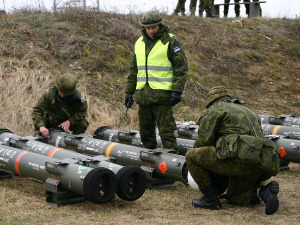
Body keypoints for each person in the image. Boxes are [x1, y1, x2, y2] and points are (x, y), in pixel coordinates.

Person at [185, 86, 280, 215]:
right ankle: (263, 191)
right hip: (259, 165)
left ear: (211, 101)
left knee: (191, 156)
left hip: (238, 161)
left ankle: (210, 200)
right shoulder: (250, 111)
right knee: (237, 199)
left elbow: (203, 142)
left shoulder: (216, 109)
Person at [125, 10, 188, 151]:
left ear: (160, 25)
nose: (151, 31)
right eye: (148, 28)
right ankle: (150, 162)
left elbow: (181, 68)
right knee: (146, 133)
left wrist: (177, 91)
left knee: (167, 133)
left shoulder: (171, 41)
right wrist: (129, 92)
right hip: (143, 96)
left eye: (154, 27)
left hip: (162, 97)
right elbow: (134, 70)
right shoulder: (139, 43)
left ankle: (173, 163)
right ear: (144, 28)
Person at [32, 73, 89, 138]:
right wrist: (41, 126)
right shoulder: (49, 95)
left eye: (65, 94)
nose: (62, 95)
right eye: (60, 92)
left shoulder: (78, 99)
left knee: (83, 124)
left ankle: (73, 141)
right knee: (38, 136)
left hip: (66, 122)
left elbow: (82, 112)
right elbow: (37, 110)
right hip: (50, 121)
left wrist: (69, 121)